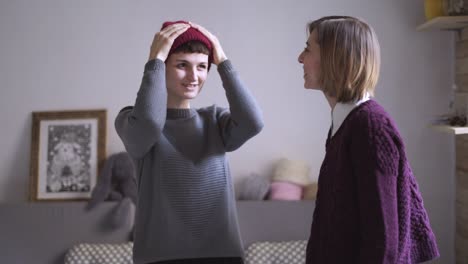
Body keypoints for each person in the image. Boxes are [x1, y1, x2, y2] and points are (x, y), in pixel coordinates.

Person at [115, 20, 263, 264]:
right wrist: (154, 61)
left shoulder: (215, 120)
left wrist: (223, 60)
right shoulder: (131, 121)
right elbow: (151, 123)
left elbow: (253, 122)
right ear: (163, 67)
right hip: (159, 258)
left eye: (202, 67)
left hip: (222, 255)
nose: (194, 76)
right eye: (182, 65)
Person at [297, 16, 440, 263]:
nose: (300, 58)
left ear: (336, 57)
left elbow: (383, 244)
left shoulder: (370, 127)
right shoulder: (347, 123)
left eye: (308, 49)